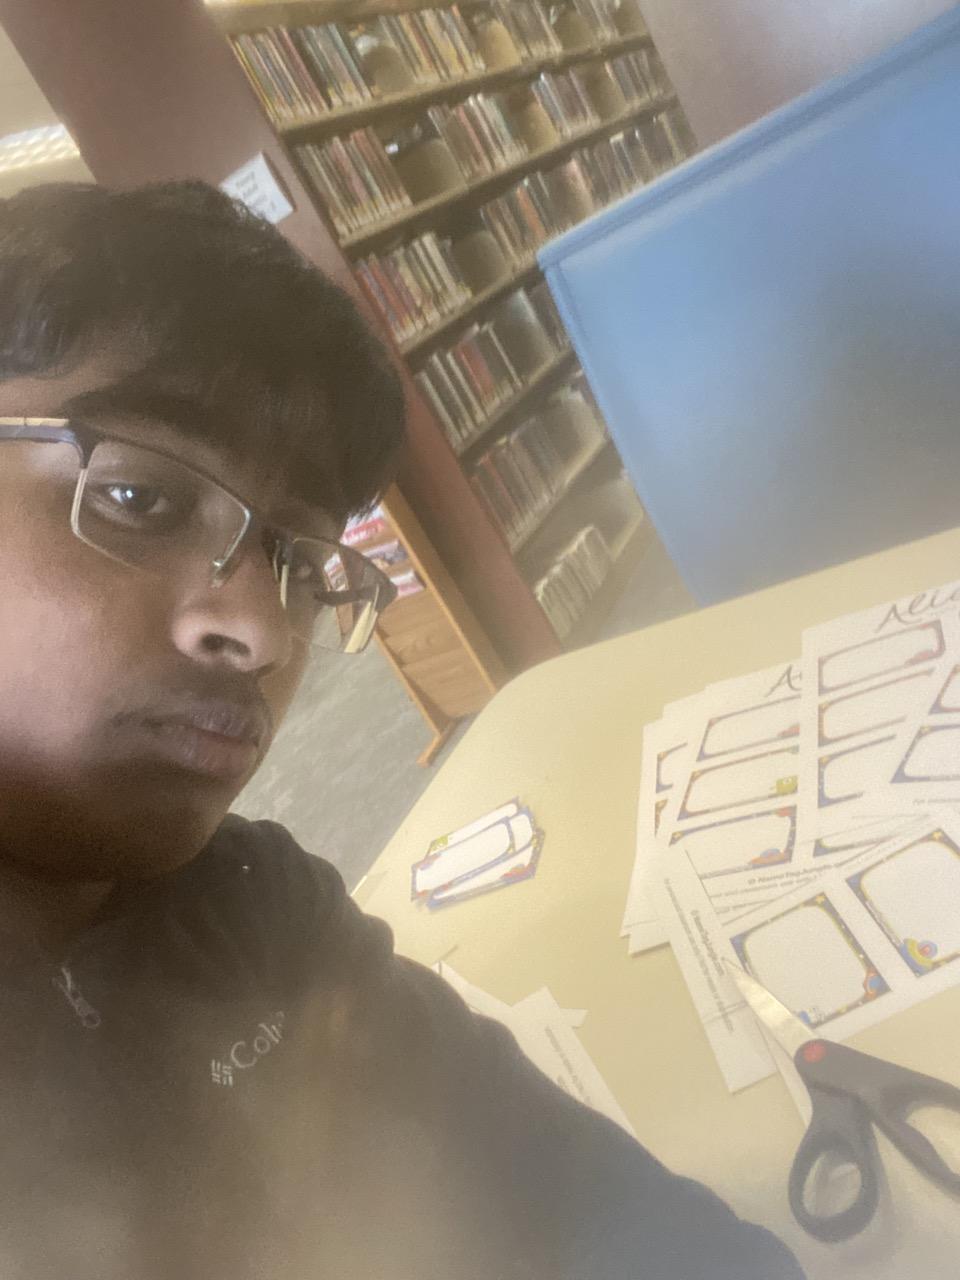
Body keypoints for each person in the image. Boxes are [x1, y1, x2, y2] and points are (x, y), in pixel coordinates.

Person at [0, 180, 804, 1280]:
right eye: (142, 498)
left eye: (301, 563)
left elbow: (560, 1180)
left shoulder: (255, 904)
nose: (263, 630)